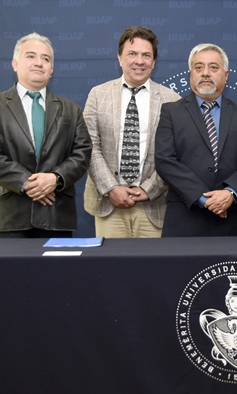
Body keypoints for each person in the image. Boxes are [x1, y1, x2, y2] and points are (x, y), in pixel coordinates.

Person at [0, 33, 91, 238]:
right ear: (15, 63)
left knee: (56, 272)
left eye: (46, 59)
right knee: (9, 272)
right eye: (31, 56)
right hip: (10, 217)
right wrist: (28, 182)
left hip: (56, 215)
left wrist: (55, 178)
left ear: (51, 70)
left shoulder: (71, 109)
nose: (39, 63)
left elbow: (82, 153)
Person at [83, 26, 180, 238]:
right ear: (119, 58)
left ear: (154, 62)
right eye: (132, 54)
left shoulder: (172, 100)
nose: (139, 61)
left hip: (154, 206)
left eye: (146, 55)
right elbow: (89, 146)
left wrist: (148, 189)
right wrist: (111, 188)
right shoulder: (98, 95)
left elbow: (174, 154)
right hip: (108, 203)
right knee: (111, 269)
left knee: (152, 270)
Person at [155, 43, 237, 237]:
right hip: (185, 219)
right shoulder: (170, 112)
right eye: (198, 67)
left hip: (233, 219)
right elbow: (165, 161)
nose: (205, 73)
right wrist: (204, 199)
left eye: (213, 67)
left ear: (226, 75)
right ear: (190, 74)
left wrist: (230, 193)